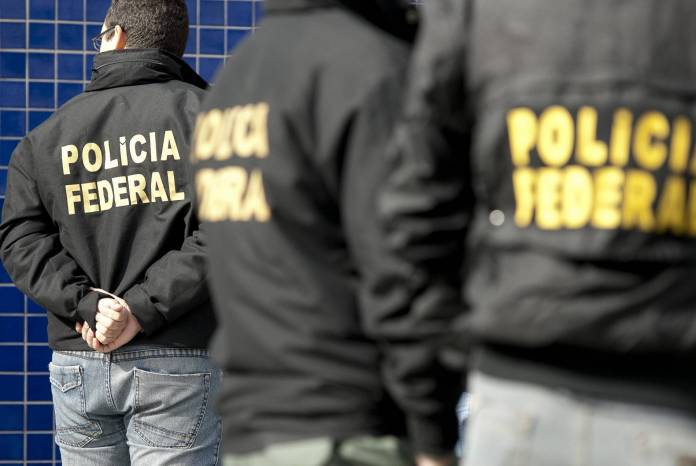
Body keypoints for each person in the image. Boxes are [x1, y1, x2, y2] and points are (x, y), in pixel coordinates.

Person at [377, 0, 696, 465]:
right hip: (667, 400)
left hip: (513, 400)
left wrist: (430, 423)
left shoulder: (478, 13)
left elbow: (417, 217)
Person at [189, 1, 456, 465]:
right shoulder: (369, 68)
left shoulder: (235, 80)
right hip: (351, 429)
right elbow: (401, 267)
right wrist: (433, 429)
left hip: (255, 431)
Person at [0, 0, 221, 464]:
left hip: (80, 359)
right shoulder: (212, 121)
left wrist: (87, 304)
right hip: (177, 361)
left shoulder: (46, 137)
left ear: (116, 37)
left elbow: (21, 239)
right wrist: (140, 309)